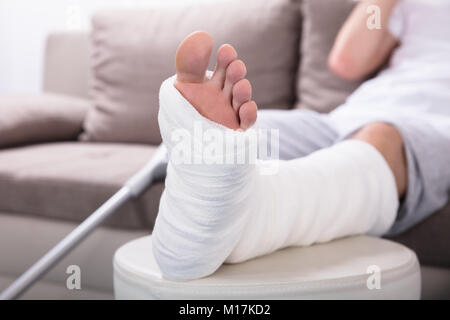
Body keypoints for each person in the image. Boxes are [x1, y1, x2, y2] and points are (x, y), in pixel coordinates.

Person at [152, 0, 450, 281]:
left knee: (382, 135)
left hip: (434, 125)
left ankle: (227, 217)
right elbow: (347, 62)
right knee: (244, 135)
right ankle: (218, 189)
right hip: (348, 115)